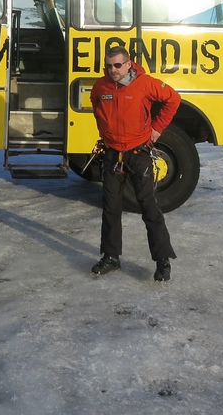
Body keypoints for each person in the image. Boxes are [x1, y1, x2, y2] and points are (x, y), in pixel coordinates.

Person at [89, 46, 180, 282]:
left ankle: (162, 260)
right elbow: (96, 103)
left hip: (138, 154)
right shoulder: (102, 86)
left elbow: (173, 99)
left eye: (118, 65)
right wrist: (106, 131)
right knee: (110, 208)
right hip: (112, 154)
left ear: (129, 64)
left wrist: (157, 129)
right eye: (109, 66)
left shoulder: (145, 83)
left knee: (149, 207)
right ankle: (111, 257)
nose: (113, 70)